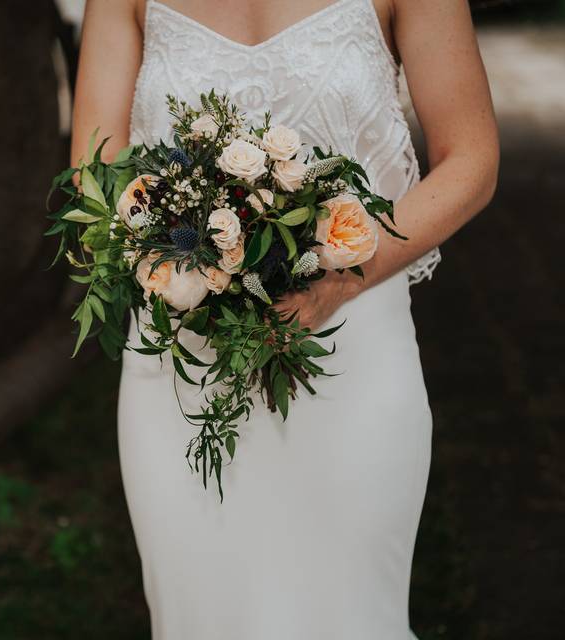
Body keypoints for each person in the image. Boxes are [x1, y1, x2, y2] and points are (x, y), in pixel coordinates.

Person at [70, 1, 499, 637]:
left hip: (351, 347)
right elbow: (94, 178)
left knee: (350, 614)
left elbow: (471, 158)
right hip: (183, 364)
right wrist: (194, 258)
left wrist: (344, 276)